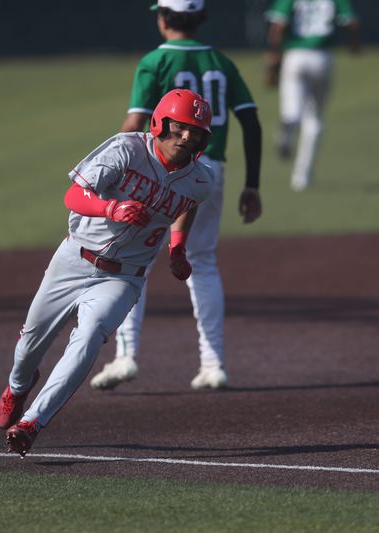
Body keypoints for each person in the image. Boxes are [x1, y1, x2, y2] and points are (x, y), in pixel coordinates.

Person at [0, 89, 216, 457]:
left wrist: (177, 248)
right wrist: (112, 208)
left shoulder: (202, 179)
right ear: (160, 123)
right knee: (28, 348)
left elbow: (187, 204)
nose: (187, 137)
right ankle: (18, 386)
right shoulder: (126, 149)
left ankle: (32, 422)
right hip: (74, 259)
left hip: (125, 277)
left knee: (90, 338)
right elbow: (74, 196)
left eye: (196, 132)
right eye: (180, 127)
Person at [88, 0, 263, 392]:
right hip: (209, 173)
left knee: (132, 260)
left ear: (163, 18)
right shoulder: (220, 60)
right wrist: (252, 184)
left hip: (159, 171)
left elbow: (135, 121)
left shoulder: (155, 60)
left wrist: (113, 166)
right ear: (200, 18)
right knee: (202, 261)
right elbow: (249, 119)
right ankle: (213, 362)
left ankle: (126, 356)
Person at [264, 0, 361, 192]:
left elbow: (278, 25)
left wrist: (274, 53)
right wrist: (354, 44)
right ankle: (302, 177)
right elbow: (352, 23)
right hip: (322, 57)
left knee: (292, 109)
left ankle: (288, 125)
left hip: (295, 55)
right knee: (315, 118)